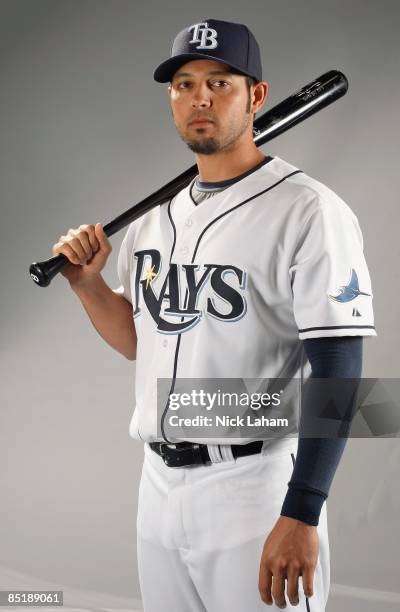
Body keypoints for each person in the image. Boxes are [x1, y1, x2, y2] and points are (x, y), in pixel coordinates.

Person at [52, 18, 376, 611]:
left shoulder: (309, 211)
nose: (199, 96)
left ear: (256, 95)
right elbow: (138, 342)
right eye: (184, 83)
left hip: (254, 487)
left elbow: (340, 368)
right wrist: (87, 285)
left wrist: (303, 509)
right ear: (170, 100)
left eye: (219, 81)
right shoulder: (153, 219)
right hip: (157, 488)